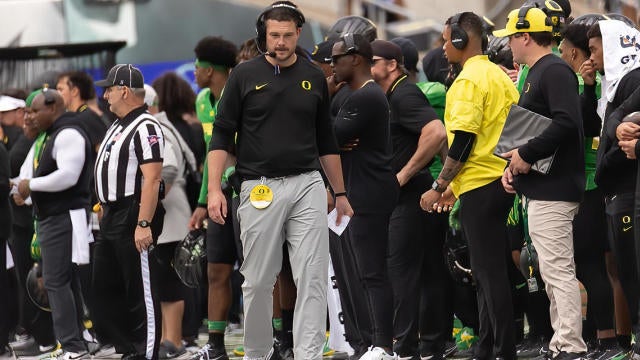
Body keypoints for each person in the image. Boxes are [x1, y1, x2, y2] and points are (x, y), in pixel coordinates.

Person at [206, 1, 353, 359]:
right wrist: (213, 190)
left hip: (307, 183)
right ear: (264, 35)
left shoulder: (314, 76)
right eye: (274, 35)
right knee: (257, 280)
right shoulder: (243, 75)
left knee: (312, 276)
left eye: (288, 35)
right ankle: (258, 353)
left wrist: (340, 191)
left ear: (298, 33)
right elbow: (222, 136)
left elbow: (326, 141)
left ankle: (307, 353)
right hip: (259, 186)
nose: (281, 42)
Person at [419, 11, 519, 360]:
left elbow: (462, 141)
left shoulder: (467, 81)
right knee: (488, 271)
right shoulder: (497, 75)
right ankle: (488, 345)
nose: (444, 47)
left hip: (481, 185)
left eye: (447, 39)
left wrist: (439, 183)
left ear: (461, 40)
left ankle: (502, 349)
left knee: (489, 275)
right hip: (499, 181)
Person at [494, 6, 587, 359]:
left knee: (557, 269)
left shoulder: (553, 70)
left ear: (524, 36)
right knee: (550, 270)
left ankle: (571, 347)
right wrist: (515, 166)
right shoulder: (539, 71)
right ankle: (560, 343)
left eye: (511, 38)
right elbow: (537, 126)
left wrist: (526, 155)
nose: (509, 46)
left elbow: (566, 121)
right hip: (543, 186)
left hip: (556, 188)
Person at [369, 39, 449, 359]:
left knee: (403, 273)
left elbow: (437, 133)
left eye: (371, 60)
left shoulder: (404, 92)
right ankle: (429, 345)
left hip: (411, 192)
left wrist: (401, 176)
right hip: (419, 191)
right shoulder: (392, 95)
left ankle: (406, 348)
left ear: (391, 65)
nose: (366, 66)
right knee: (427, 270)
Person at [558, 22, 624, 358]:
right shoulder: (588, 81)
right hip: (592, 181)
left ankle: (609, 338)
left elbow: (587, 128)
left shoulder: (604, 82)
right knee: (597, 264)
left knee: (591, 263)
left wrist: (586, 87)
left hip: (592, 182)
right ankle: (607, 336)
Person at [92, 64, 165, 360]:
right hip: (110, 214)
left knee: (139, 288)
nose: (105, 95)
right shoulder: (116, 124)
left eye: (109, 89)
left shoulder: (146, 125)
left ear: (124, 90)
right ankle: (125, 347)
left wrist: (143, 222)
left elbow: (153, 178)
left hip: (133, 212)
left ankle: (144, 351)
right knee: (104, 287)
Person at [16, 89, 92, 360]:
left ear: (52, 106)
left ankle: (72, 346)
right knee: (65, 281)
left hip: (64, 216)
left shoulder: (68, 132)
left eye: (35, 111)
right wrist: (20, 186)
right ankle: (75, 343)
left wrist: (29, 185)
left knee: (56, 282)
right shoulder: (49, 136)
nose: (31, 117)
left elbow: (69, 176)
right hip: (53, 217)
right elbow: (29, 178)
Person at [588, 19, 640, 359]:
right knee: (623, 266)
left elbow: (620, 123)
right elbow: (616, 120)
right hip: (618, 185)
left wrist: (624, 137)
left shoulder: (633, 77)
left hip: (626, 184)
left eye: (595, 49)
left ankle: (629, 338)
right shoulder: (614, 83)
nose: (591, 58)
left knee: (631, 267)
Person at [186, 36, 239, 360]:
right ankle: (215, 344)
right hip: (218, 197)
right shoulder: (202, 101)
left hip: (249, 192)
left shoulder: (241, 95)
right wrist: (203, 201)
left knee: (260, 271)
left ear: (211, 69)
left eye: (197, 66)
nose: (193, 71)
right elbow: (211, 157)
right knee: (216, 270)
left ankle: (277, 337)